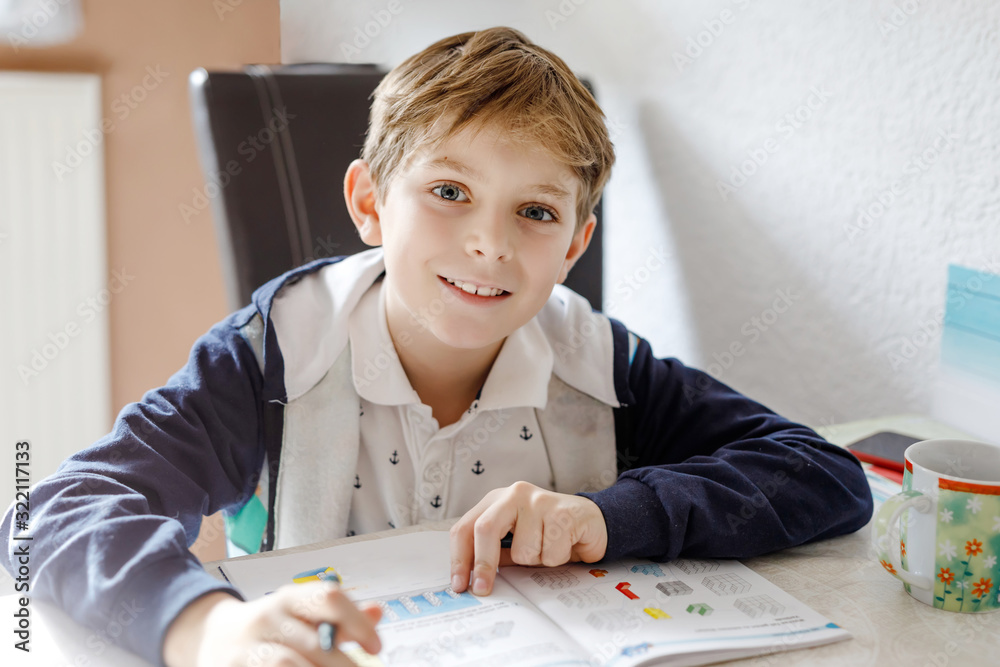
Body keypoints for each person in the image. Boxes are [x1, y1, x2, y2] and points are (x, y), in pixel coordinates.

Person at [2, 26, 872, 667]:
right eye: (450, 190)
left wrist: (608, 515)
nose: (489, 243)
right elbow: (47, 516)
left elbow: (822, 473)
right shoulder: (268, 355)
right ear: (371, 203)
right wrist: (207, 625)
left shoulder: (601, 361)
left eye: (534, 212)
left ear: (573, 244)